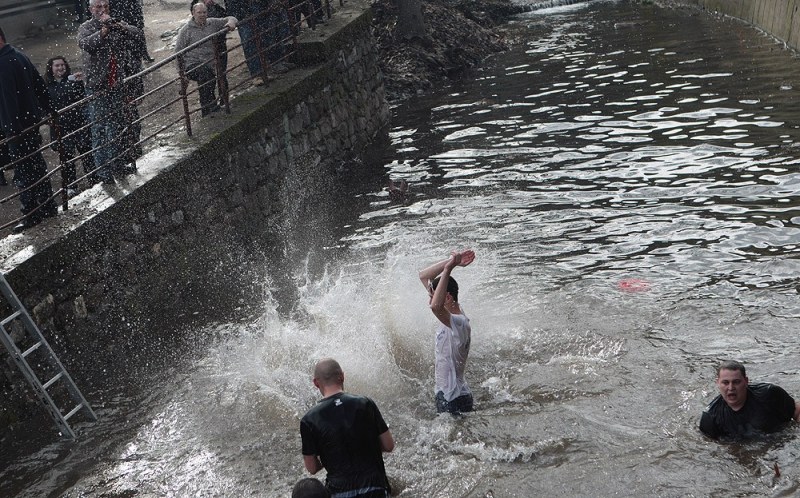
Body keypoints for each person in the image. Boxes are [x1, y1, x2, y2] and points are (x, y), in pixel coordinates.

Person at [300, 358, 394, 498]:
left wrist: (331, 455)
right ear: (342, 376)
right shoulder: (365, 403)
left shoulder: (309, 420)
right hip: (376, 489)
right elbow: (389, 445)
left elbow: (312, 468)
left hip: (340, 493)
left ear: (315, 383)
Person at [78, 0, 143, 184]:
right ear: (91, 9)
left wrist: (120, 28)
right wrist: (103, 32)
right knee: (99, 129)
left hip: (115, 83)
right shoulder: (86, 27)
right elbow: (86, 44)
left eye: (105, 6)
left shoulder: (115, 23)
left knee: (116, 126)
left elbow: (137, 34)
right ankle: (104, 173)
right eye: (98, 7)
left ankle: (118, 165)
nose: (103, 10)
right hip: (97, 86)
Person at [0, 26, 58, 233]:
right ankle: (47, 206)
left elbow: (8, 100)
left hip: (18, 129)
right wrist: (49, 110)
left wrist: (11, 131)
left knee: (24, 172)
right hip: (29, 124)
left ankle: (31, 212)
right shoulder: (18, 55)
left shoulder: (3, 63)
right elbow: (39, 86)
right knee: (36, 166)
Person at [418, 250, 476, 415]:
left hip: (454, 399)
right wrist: (451, 262)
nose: (430, 302)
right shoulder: (450, 316)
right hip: (449, 395)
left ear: (448, 298)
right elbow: (423, 276)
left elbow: (436, 307)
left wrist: (448, 270)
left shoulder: (459, 322)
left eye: (433, 296)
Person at [699, 360, 800, 440]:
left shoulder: (769, 394)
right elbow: (714, 449)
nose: (731, 388)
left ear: (746, 381)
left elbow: (797, 411)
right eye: (725, 383)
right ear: (717, 383)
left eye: (736, 382)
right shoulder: (710, 417)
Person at [175, 2, 237, 117]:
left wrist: (231, 22)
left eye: (204, 12)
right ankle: (210, 106)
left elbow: (231, 17)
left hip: (209, 62)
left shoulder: (212, 23)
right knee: (205, 74)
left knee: (210, 75)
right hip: (192, 64)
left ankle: (207, 109)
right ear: (193, 13)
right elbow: (178, 52)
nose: (202, 15)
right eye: (199, 12)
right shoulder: (186, 30)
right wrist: (181, 73)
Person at [45, 56, 96, 192]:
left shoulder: (73, 81)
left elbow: (84, 98)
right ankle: (71, 186)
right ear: (51, 68)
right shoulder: (46, 87)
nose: (61, 68)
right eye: (57, 65)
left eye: (62, 65)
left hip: (78, 123)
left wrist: (82, 82)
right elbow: (42, 107)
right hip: (61, 127)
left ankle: (94, 179)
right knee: (67, 158)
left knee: (86, 153)